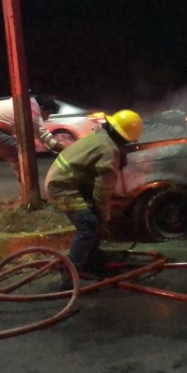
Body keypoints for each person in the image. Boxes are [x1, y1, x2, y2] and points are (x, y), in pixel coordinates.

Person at [44, 109, 143, 289]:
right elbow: (102, 191)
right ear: (125, 139)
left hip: (66, 182)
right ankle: (69, 278)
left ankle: (92, 260)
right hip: (63, 188)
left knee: (92, 220)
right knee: (88, 224)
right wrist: (104, 217)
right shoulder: (108, 150)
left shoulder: (99, 137)